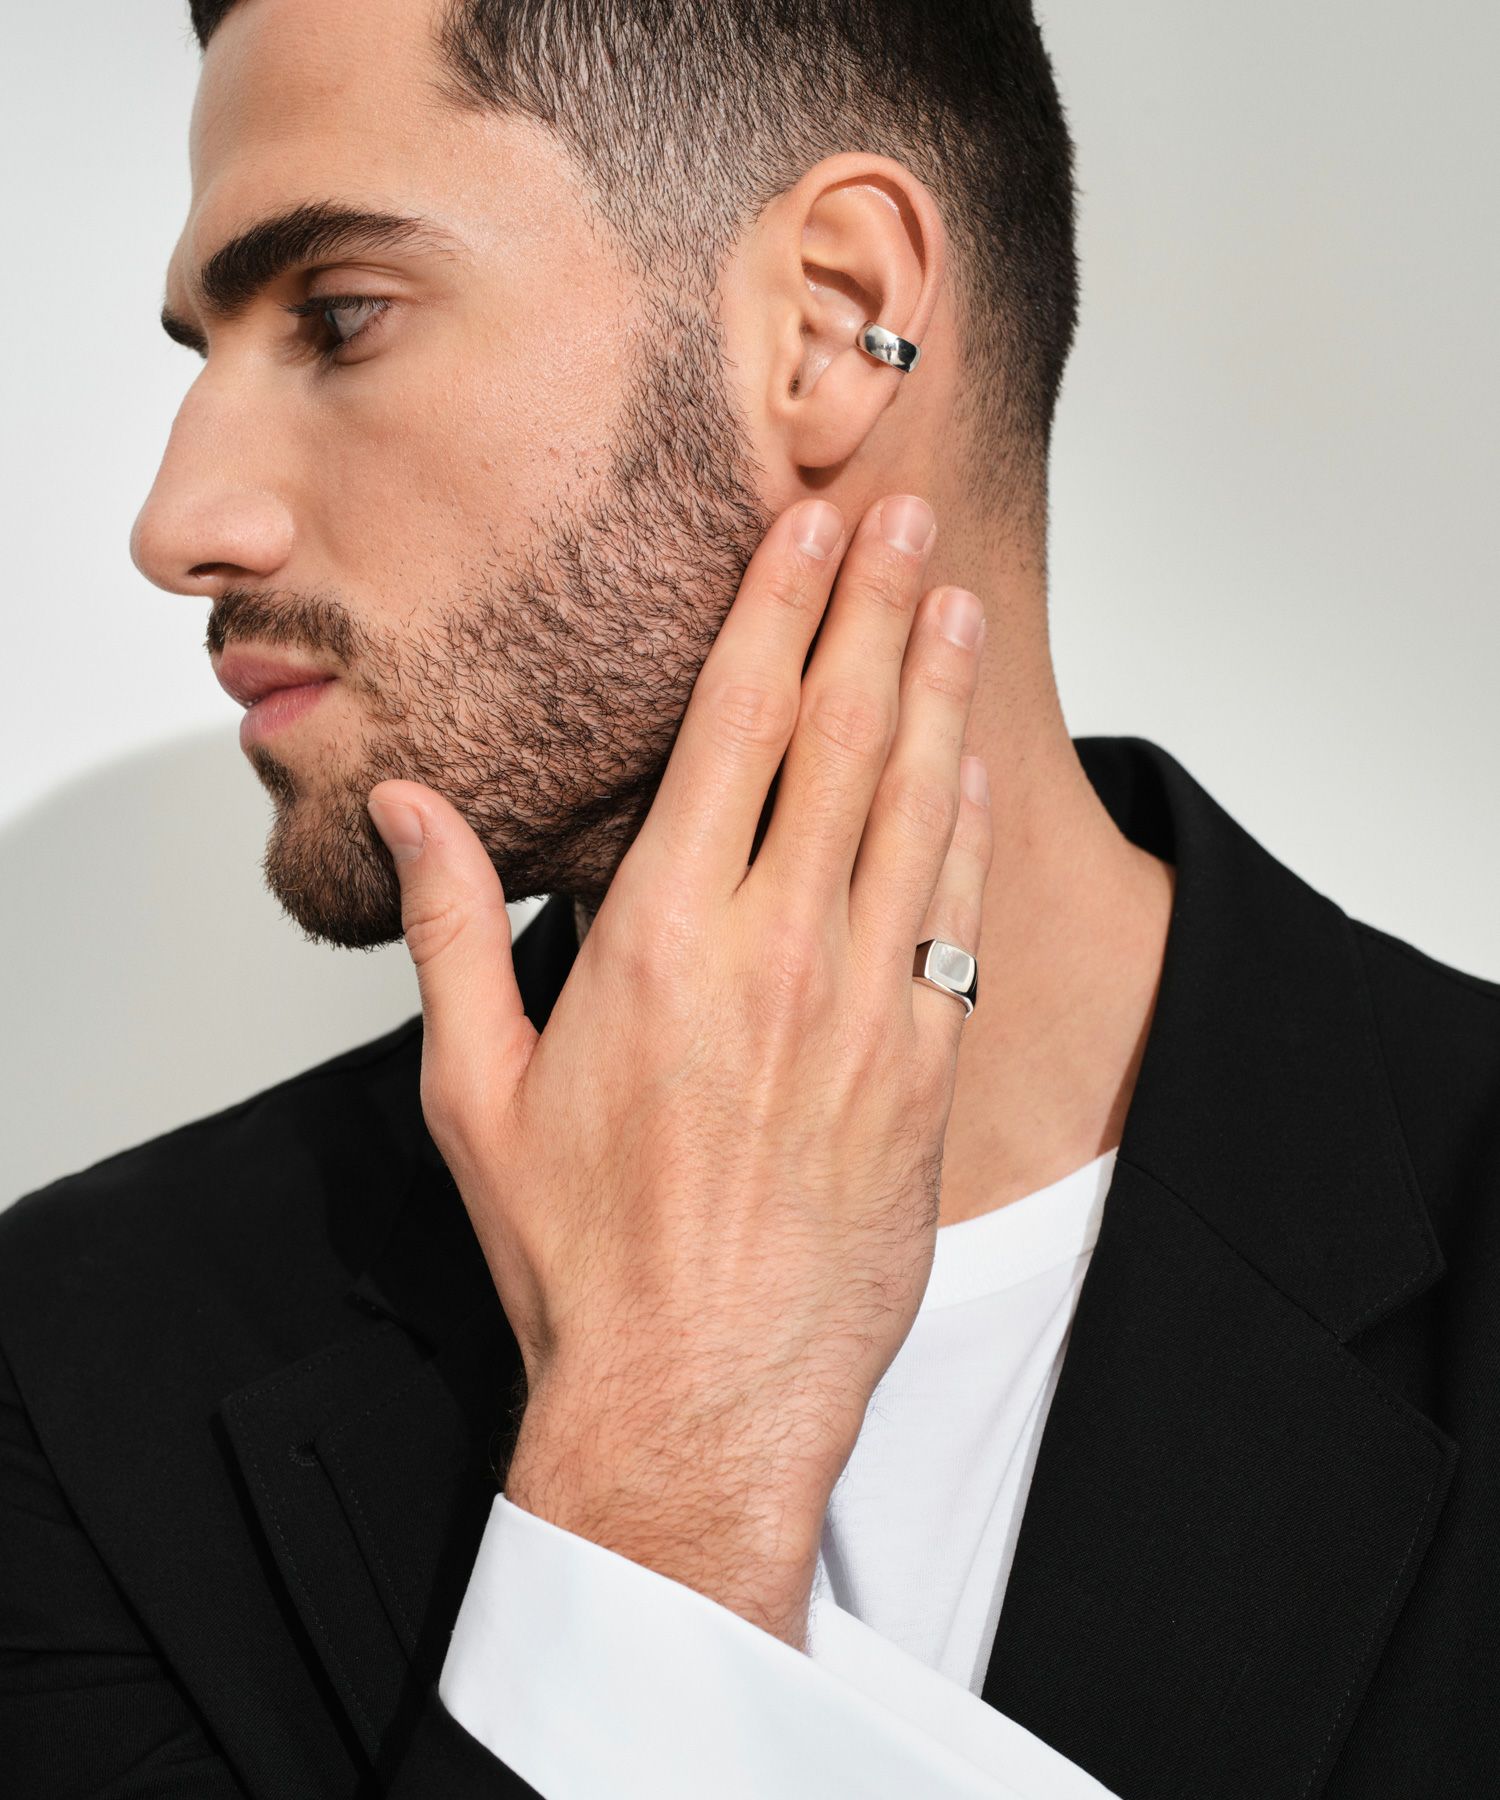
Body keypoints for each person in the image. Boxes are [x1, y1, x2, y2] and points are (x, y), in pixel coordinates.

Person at [2, 0, 1496, 1795]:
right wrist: (653, 1489)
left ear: (836, 319)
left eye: (338, 315)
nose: (179, 523)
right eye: (207, 349)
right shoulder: (83, 1374)